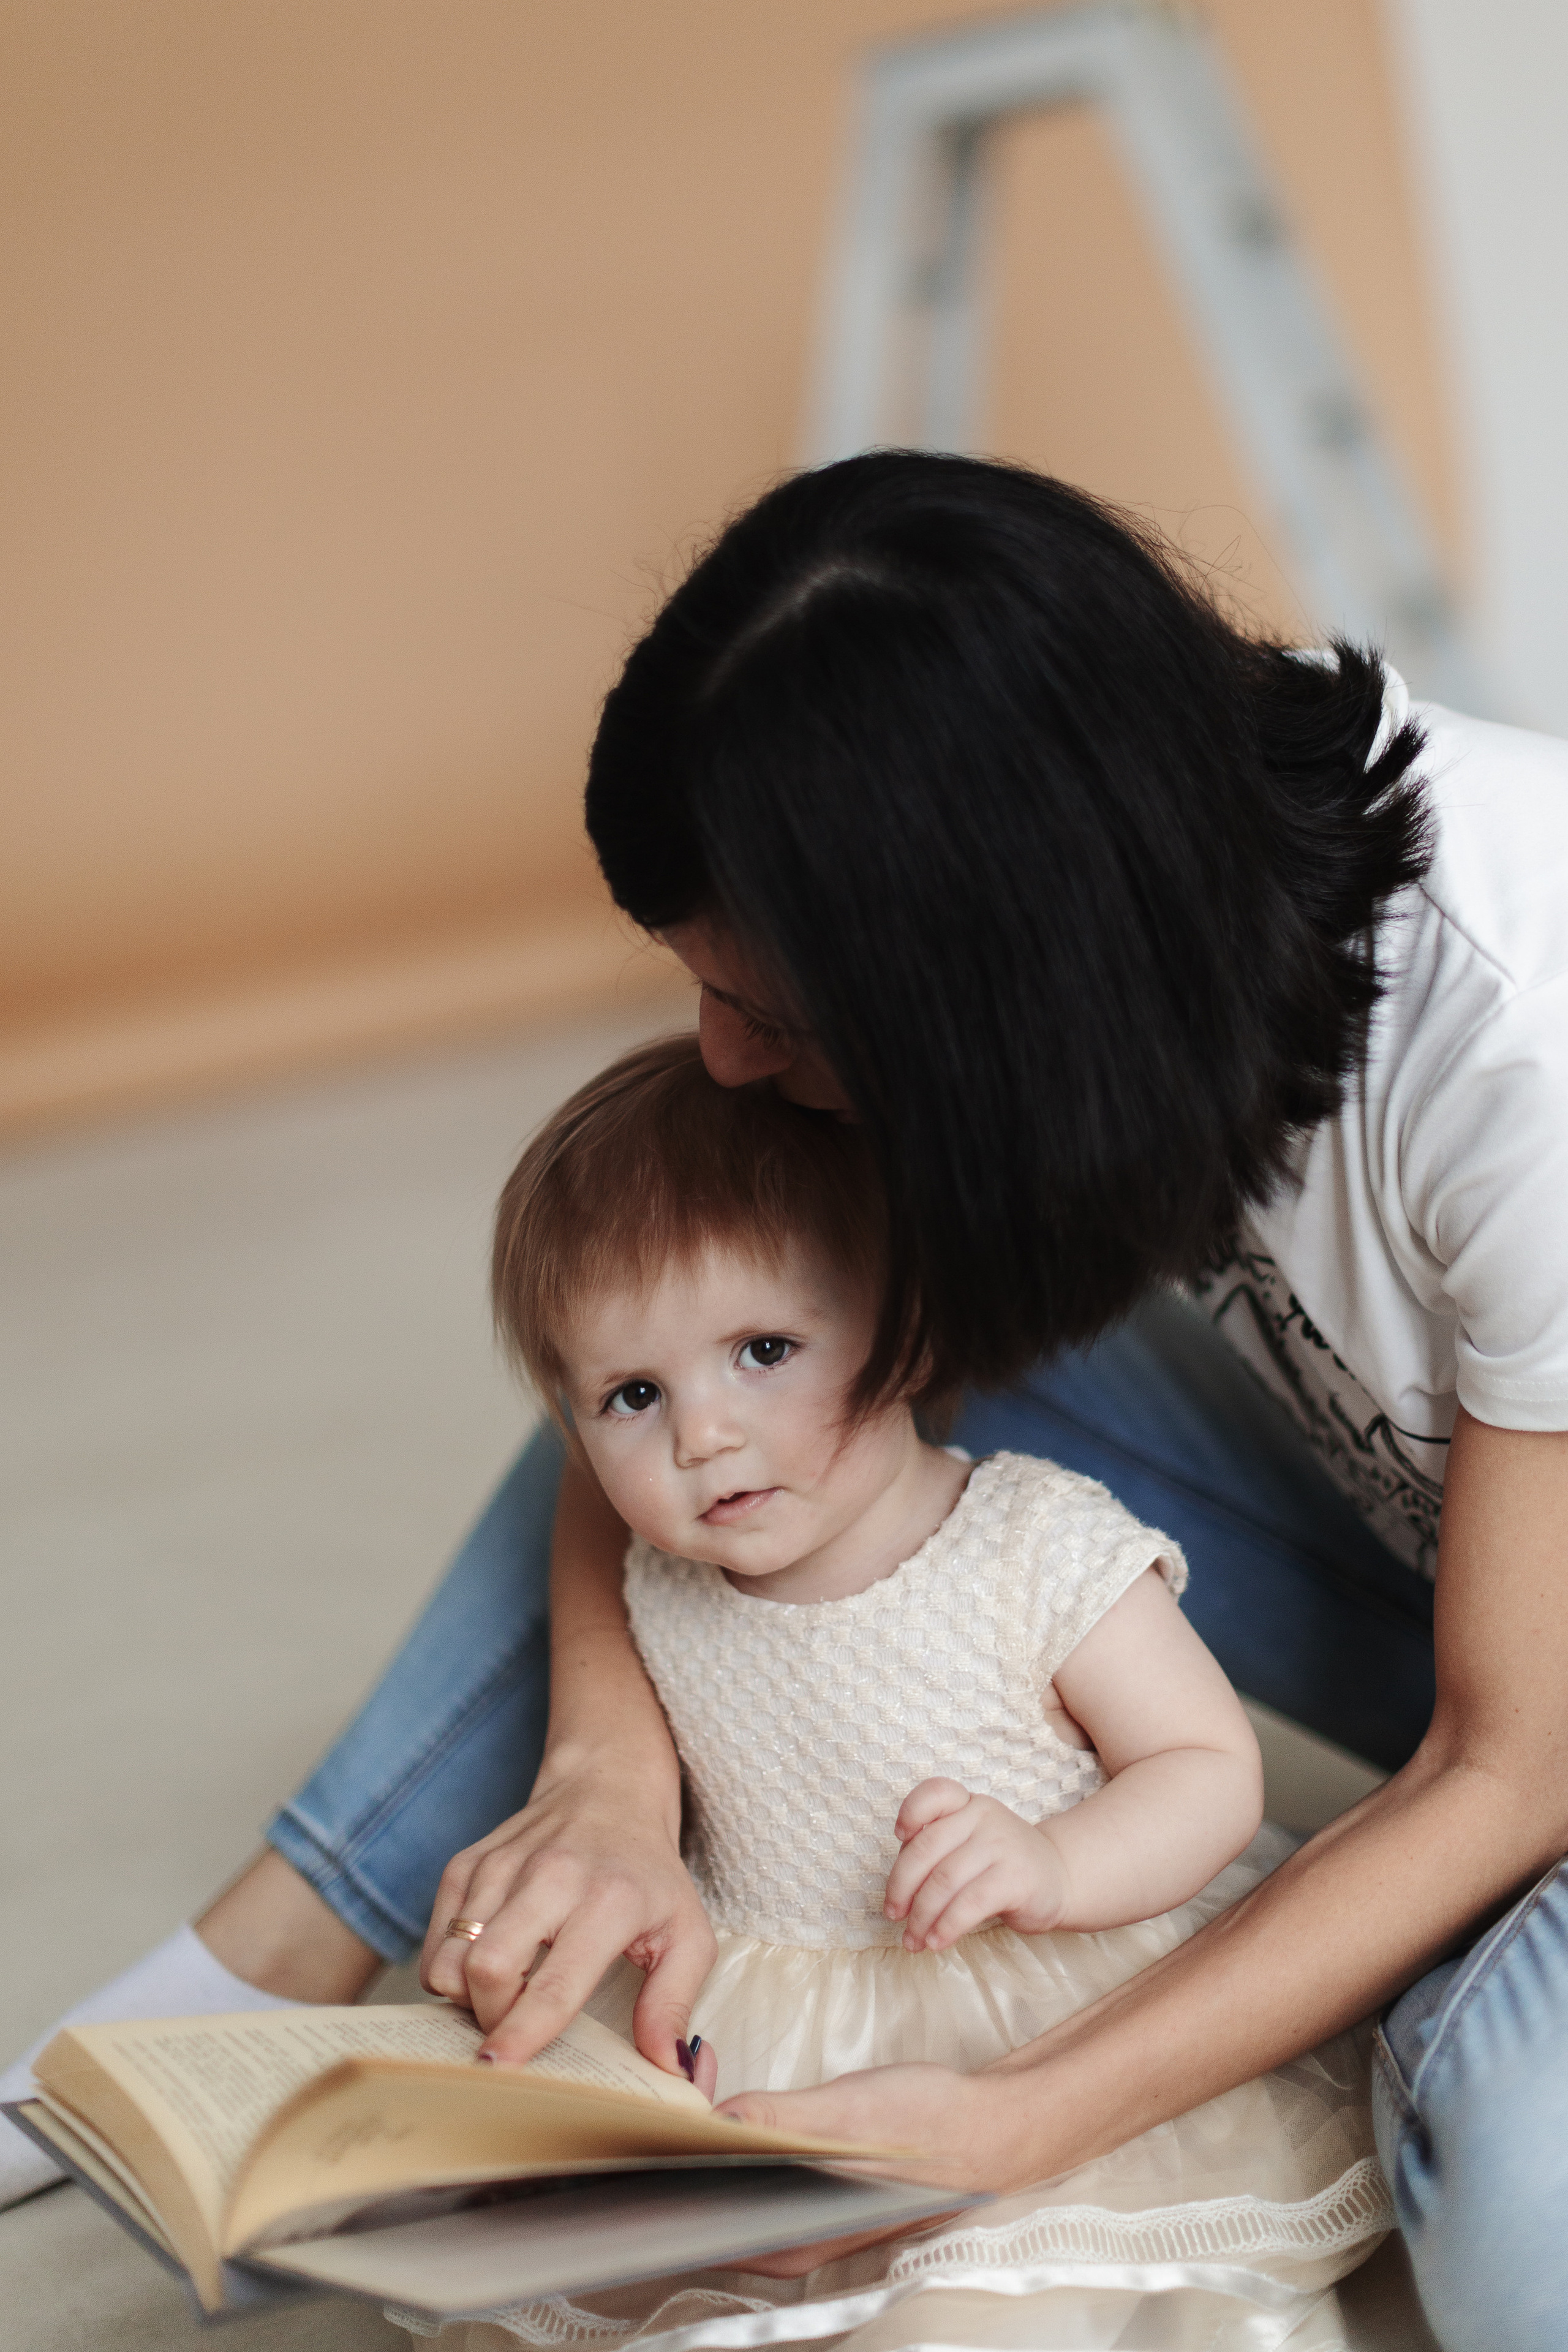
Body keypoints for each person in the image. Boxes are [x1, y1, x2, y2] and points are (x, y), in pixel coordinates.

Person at [5, 453, 1566, 2352]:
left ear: (1001, 986)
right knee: (736, 1324)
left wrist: (1011, 2122)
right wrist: (608, 1773)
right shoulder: (1120, 829)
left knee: (1515, 2208)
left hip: (1531, 1716)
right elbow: (665, 1368)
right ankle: (252, 1965)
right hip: (1472, 1604)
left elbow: (1518, 1766)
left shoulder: (1522, 1045)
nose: (720, 1060)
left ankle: (1430, 1990)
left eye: (782, 1014)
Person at [410, 1030, 1384, 2350]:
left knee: (994, 2300)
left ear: (909, 1323)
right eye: (634, 1392)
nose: (702, 1434)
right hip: (776, 2007)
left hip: (1037, 1993)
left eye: (761, 1350)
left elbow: (1206, 1772)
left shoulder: (1030, 1542)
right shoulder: (658, 1581)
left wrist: (1053, 1862)